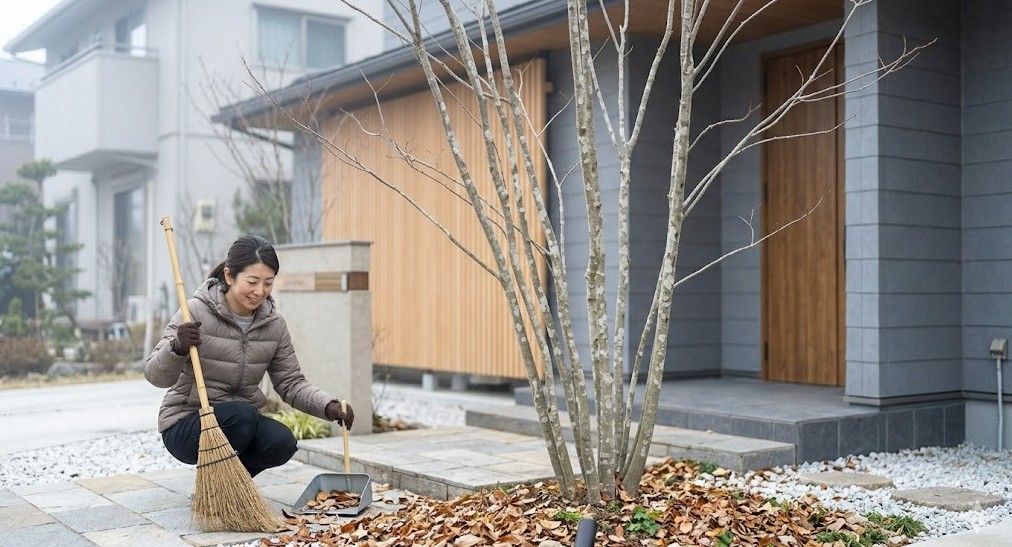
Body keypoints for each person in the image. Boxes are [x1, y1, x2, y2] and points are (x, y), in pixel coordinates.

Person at [145, 234, 354, 477]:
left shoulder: (274, 325)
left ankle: (228, 490)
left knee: (281, 442)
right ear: (229, 276)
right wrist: (177, 347)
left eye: (268, 283)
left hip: (239, 424)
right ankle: (217, 487)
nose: (259, 291)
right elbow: (154, 375)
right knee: (242, 416)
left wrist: (329, 406)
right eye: (252, 281)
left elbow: (291, 383)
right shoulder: (194, 312)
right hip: (187, 423)